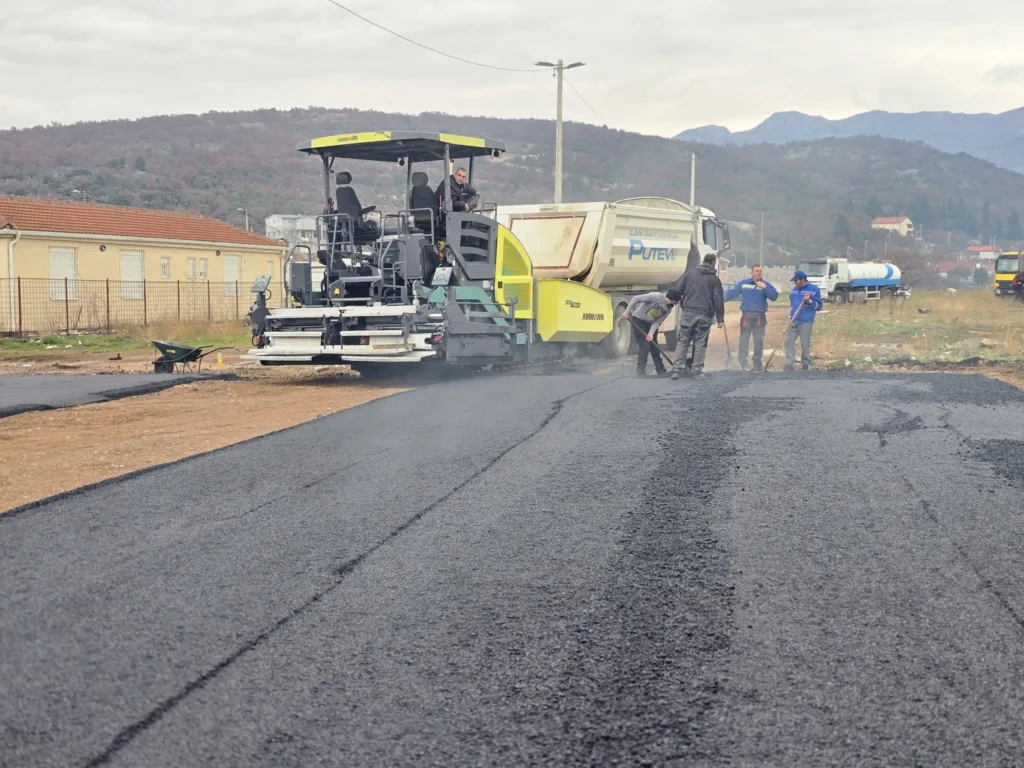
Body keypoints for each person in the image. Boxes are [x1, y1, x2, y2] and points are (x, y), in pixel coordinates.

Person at [671, 253, 724, 380]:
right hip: (704, 315)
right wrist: (720, 318)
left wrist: (674, 300)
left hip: (688, 312)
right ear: (713, 263)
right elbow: (718, 299)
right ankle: (696, 372)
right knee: (700, 342)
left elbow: (678, 290)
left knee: (683, 341)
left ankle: (676, 370)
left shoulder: (690, 273)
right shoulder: (715, 280)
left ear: (703, 261)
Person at [723, 264, 779, 371]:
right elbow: (732, 293)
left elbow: (774, 296)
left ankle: (757, 365)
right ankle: (741, 363)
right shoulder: (744, 284)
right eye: (757, 271)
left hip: (759, 317)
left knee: (758, 341)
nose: (759, 272)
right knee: (743, 340)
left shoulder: (765, 285)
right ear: (752, 272)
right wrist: (721, 300)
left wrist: (765, 288)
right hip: (746, 316)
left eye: (760, 271)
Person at [622, 289, 682, 377]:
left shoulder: (668, 309)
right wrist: (627, 311)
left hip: (650, 324)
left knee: (654, 347)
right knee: (645, 346)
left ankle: (660, 370)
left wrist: (650, 333)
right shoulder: (655, 296)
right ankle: (640, 371)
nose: (676, 304)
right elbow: (636, 298)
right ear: (671, 299)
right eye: (676, 302)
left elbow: (657, 322)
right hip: (639, 320)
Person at [784, 269, 823, 371]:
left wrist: (809, 301)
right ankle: (789, 364)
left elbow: (819, 306)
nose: (794, 282)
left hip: (806, 321)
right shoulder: (794, 290)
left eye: (796, 280)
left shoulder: (814, 290)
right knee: (788, 341)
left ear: (802, 280)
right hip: (793, 320)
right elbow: (792, 303)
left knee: (805, 344)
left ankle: (805, 363)